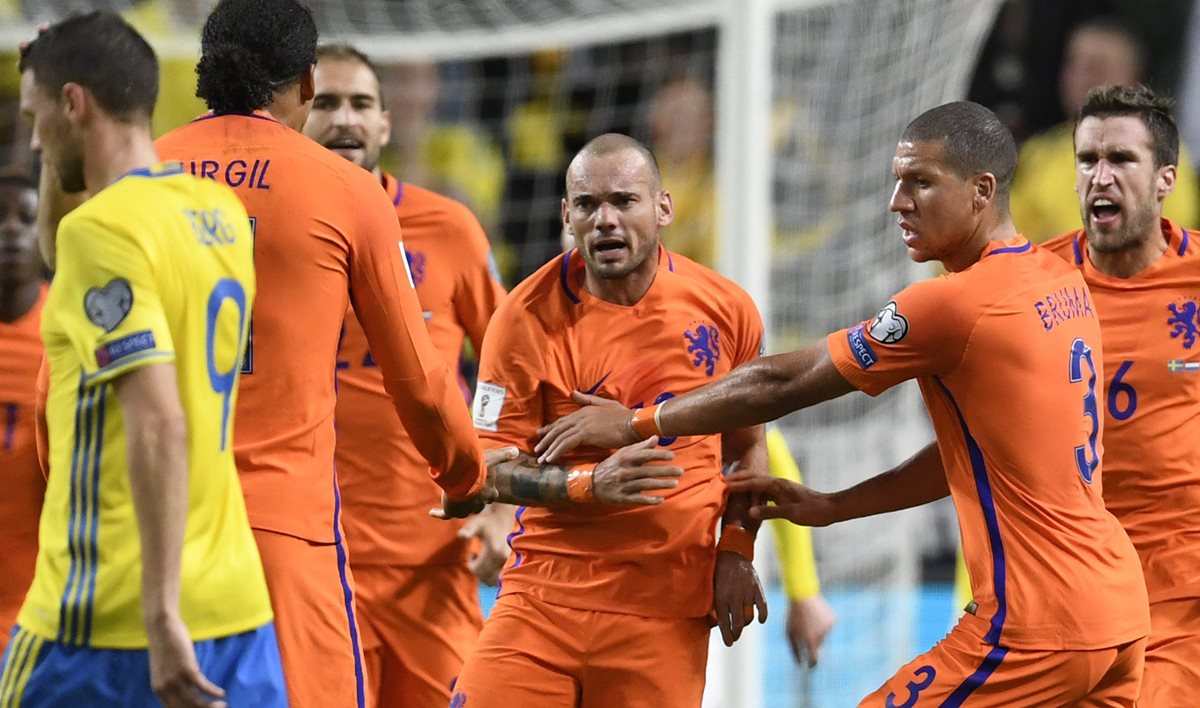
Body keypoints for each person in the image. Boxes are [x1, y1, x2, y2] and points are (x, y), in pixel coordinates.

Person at [537, 103, 1152, 705]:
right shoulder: (1060, 279)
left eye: (920, 182)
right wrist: (836, 506)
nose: (897, 202)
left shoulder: (954, 304)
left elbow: (782, 384)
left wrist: (637, 422)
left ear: (981, 191)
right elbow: (980, 455)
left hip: (1035, 623)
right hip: (1118, 609)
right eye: (897, 181)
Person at [155, 2, 498, 706]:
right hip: (287, 527)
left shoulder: (142, 174)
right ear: (307, 83)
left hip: (154, 522)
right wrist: (467, 474)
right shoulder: (345, 190)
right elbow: (420, 380)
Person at [5, 12, 287, 706]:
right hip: (235, 605)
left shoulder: (101, 233)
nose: (35, 140)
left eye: (37, 117)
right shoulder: (218, 211)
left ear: (74, 103)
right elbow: (63, 247)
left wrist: (161, 614)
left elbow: (158, 422)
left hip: (111, 615)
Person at [449, 133, 768, 707]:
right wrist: (589, 483)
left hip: (664, 606)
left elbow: (747, 449)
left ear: (663, 208)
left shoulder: (727, 310)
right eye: (588, 205)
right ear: (566, 215)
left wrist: (737, 550)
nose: (605, 220)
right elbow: (488, 468)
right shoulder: (522, 318)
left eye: (624, 201)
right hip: (543, 597)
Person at [301, 43, 510, 708]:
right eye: (325, 102)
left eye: (361, 103)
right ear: (294, 118)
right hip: (312, 563)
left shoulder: (448, 228)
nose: (345, 119)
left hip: (435, 561)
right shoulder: (264, 231)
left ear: (386, 124)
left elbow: (512, 370)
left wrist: (502, 503)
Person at [1041, 84, 1200, 707]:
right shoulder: (1030, 285)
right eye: (1087, 159)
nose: (1100, 177)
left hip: (1179, 583)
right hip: (1064, 579)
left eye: (1121, 160)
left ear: (1165, 181)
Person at [1009, 16, 1199, 243]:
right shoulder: (1038, 152)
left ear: (1134, 80)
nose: (1082, 77)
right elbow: (1008, 237)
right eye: (1074, 65)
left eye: (1097, 67)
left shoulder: (1162, 152)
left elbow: (1165, 240)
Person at [0, 173, 46, 657]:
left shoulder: (67, 330)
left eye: (26, 218)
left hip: (38, 615)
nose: (10, 229)